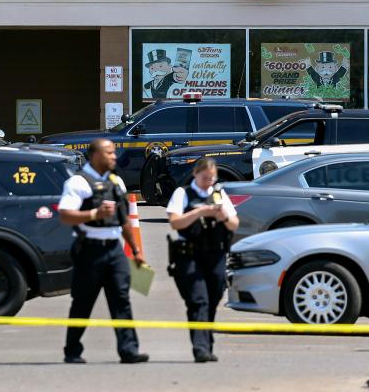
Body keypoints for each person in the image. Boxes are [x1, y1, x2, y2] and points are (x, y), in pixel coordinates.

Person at [59, 138, 149, 364]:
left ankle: (128, 350)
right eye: (109, 153)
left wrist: (136, 250)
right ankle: (72, 350)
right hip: (89, 251)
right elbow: (65, 215)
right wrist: (93, 215)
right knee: (83, 301)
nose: (114, 157)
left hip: (115, 250)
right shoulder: (78, 183)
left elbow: (124, 219)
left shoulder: (116, 181)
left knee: (121, 300)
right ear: (96, 155)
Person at [166, 157, 239, 363]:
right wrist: (200, 212)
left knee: (213, 299)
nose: (209, 182)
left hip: (215, 254)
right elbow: (175, 223)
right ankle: (201, 348)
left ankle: (206, 343)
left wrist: (221, 215)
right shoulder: (183, 194)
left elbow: (234, 224)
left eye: (212, 178)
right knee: (199, 300)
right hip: (189, 255)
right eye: (205, 178)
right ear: (196, 174)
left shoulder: (218, 194)